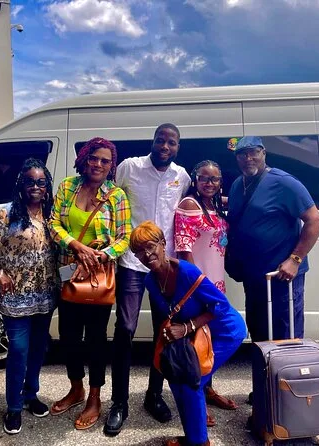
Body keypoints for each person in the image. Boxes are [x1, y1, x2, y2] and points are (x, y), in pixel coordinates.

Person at [104, 123, 191, 436]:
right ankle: (119, 402)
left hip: (163, 266)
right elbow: (109, 201)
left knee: (162, 331)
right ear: (152, 141)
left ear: (177, 147)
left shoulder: (182, 176)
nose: (165, 146)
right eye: (161, 140)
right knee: (125, 328)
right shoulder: (130, 168)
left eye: (172, 142)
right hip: (131, 261)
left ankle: (154, 395)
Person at [130, 221, 247, 446]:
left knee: (192, 381)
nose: (146, 255)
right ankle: (193, 437)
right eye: (139, 252)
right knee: (175, 378)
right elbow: (169, 312)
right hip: (196, 332)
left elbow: (220, 305)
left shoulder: (186, 272)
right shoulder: (150, 281)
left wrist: (186, 328)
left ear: (163, 244)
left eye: (150, 246)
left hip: (224, 330)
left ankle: (199, 442)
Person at [0, 158, 59, 435]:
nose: (36, 187)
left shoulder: (52, 215)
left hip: (44, 295)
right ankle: (14, 407)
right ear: (21, 184)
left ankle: (31, 395)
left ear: (47, 186)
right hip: (15, 298)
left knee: (38, 348)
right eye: (30, 181)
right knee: (19, 350)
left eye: (41, 182)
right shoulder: (6, 214)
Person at [48, 137, 132, 430]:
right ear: (84, 158)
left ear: (111, 166)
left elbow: (125, 237)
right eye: (93, 158)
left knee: (96, 339)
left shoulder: (116, 195)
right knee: (68, 336)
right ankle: (76, 389)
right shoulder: (67, 187)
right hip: (68, 273)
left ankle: (95, 398)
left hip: (98, 277)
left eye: (105, 160)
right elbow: (53, 223)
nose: (98, 164)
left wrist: (100, 255)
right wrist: (76, 246)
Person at [225, 135, 319, 350]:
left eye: (254, 152)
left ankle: (285, 374)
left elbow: (315, 220)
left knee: (285, 337)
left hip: (281, 278)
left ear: (264, 153)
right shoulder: (237, 185)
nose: (248, 158)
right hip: (253, 279)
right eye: (242, 154)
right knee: (259, 335)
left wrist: (295, 260)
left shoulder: (284, 182)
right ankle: (263, 374)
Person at [174, 160, 238, 428]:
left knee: (211, 341)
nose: (209, 183)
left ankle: (207, 389)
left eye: (215, 179)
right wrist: (197, 288)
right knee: (203, 340)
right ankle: (194, 394)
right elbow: (183, 250)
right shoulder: (190, 205)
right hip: (200, 286)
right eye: (204, 178)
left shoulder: (215, 206)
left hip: (217, 283)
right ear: (195, 179)